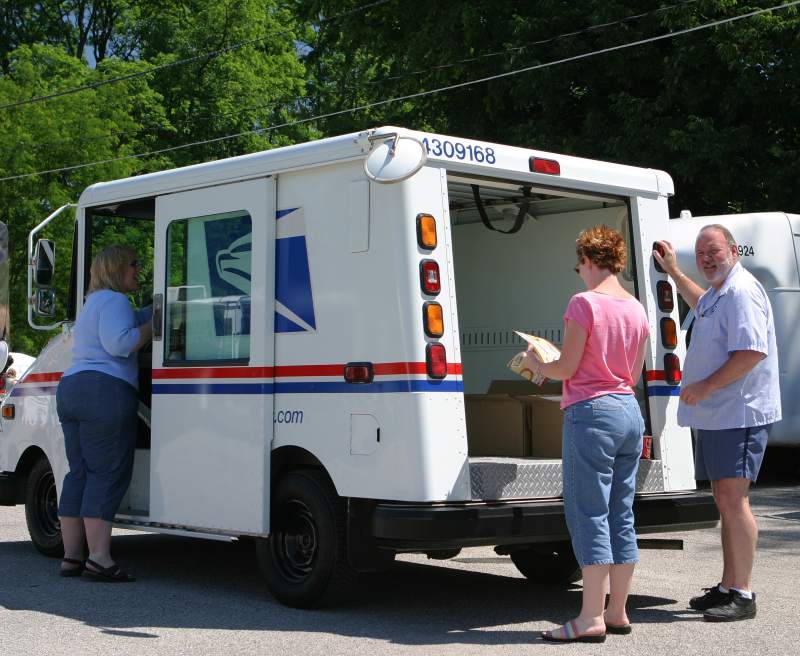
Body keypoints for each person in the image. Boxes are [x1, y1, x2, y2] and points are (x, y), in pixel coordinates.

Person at [654, 225, 780, 622]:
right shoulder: (720, 292)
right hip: (720, 415)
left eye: (714, 251)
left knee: (734, 501)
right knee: (725, 502)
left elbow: (751, 352)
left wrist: (705, 386)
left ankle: (742, 593)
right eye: (701, 253)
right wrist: (674, 272)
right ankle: (728, 586)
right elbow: (700, 300)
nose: (707, 258)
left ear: (733, 251)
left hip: (738, 413)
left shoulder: (741, 291)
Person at [538, 225, 650, 643]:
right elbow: (633, 374)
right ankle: (617, 609)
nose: (579, 272)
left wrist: (538, 361)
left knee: (588, 512)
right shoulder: (637, 308)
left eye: (579, 264)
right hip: (627, 411)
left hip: (592, 413)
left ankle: (589, 617)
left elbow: (566, 368)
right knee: (621, 512)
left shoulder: (583, 303)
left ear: (588, 260)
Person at [56, 244, 152, 582]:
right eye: (133, 265)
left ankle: (71, 557)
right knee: (105, 473)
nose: (137, 271)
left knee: (78, 473)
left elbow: (120, 327)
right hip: (104, 392)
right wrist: (153, 328)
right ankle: (99, 558)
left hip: (73, 389)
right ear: (116, 269)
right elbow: (120, 343)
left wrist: (151, 313)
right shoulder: (115, 301)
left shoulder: (92, 302)